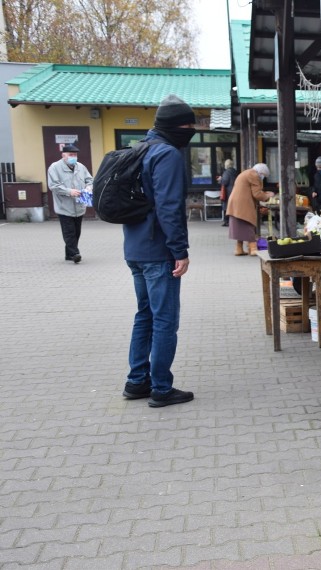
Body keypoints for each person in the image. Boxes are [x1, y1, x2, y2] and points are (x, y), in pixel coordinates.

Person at [121, 94, 197, 407]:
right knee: (165, 320)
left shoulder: (139, 149)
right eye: (188, 123)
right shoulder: (167, 154)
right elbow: (169, 207)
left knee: (145, 316)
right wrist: (180, 250)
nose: (191, 129)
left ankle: (137, 381)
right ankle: (161, 388)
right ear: (174, 125)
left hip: (135, 248)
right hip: (158, 251)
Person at [47, 142, 93, 263]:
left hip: (79, 206)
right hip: (64, 206)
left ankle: (69, 254)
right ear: (63, 155)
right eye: (70, 154)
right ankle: (75, 254)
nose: (73, 157)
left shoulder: (81, 167)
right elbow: (53, 186)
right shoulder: (54, 167)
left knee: (77, 232)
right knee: (69, 232)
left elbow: (90, 180)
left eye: (75, 155)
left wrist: (89, 187)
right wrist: (69, 191)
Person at [226, 163, 275, 256]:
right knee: (248, 225)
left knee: (239, 227)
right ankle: (253, 248)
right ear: (261, 173)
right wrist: (269, 195)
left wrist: (263, 194)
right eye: (264, 176)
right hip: (243, 205)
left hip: (235, 204)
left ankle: (239, 249)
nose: (263, 178)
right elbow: (257, 194)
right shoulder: (254, 175)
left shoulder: (246, 173)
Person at [217, 159, 237, 227]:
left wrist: (220, 180)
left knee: (226, 207)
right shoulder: (235, 171)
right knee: (233, 206)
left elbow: (225, 182)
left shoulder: (226, 172)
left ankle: (227, 221)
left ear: (226, 165)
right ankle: (234, 221)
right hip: (235, 191)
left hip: (228, 192)